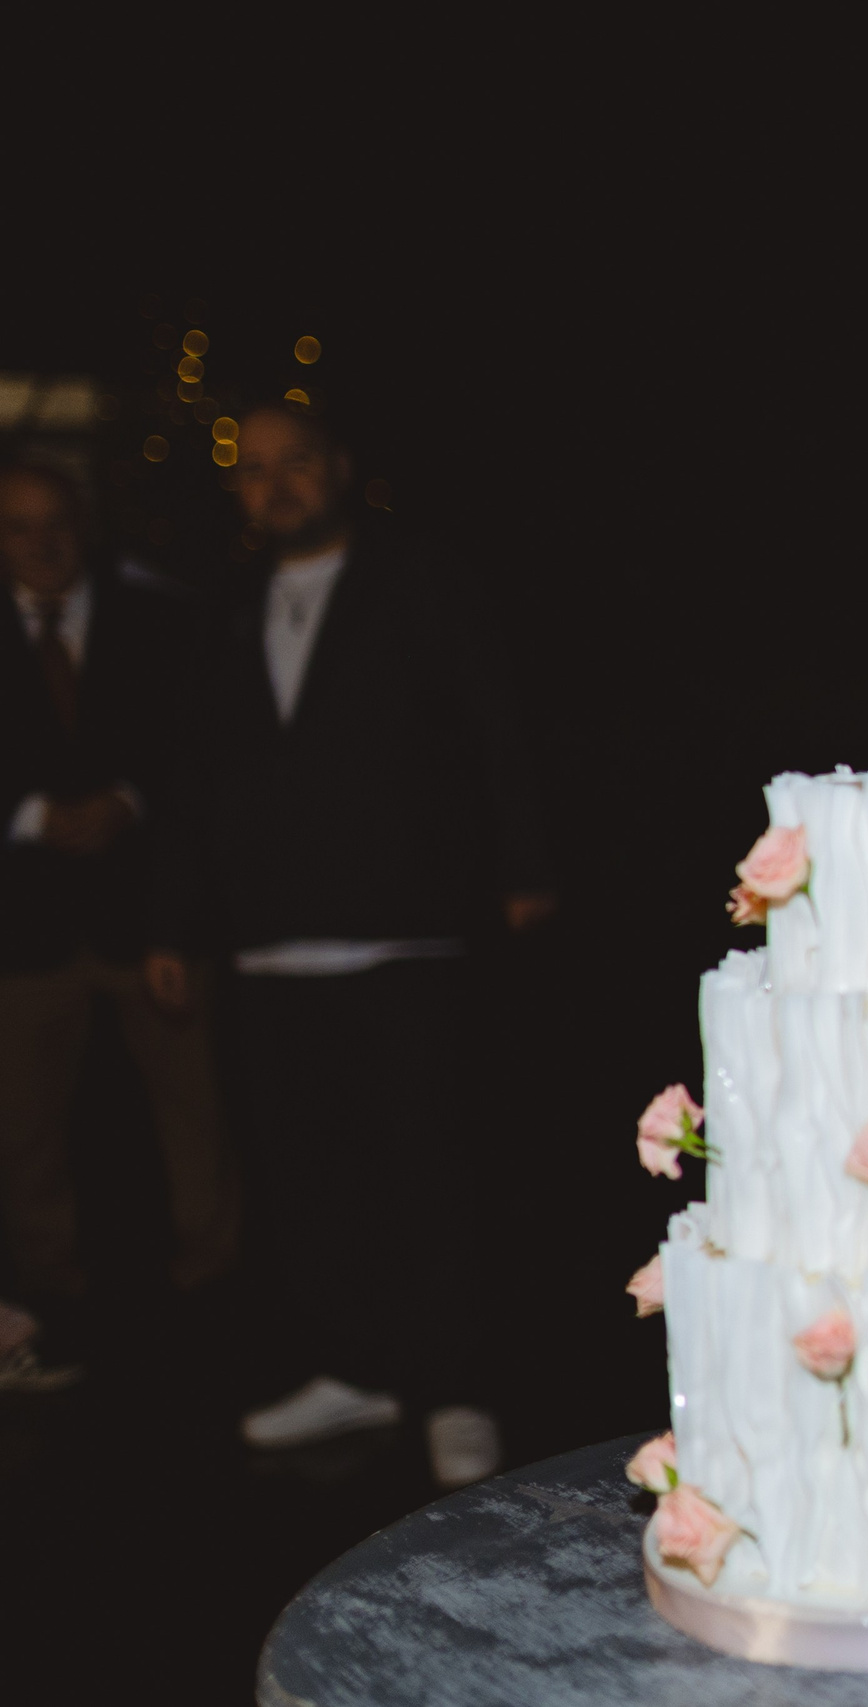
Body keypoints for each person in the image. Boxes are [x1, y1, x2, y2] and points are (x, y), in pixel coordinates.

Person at [183, 403, 553, 1488]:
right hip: (265, 947)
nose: (277, 484)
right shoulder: (226, 602)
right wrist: (176, 920)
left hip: (401, 932)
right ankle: (353, 1368)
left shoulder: (423, 576)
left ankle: (453, 1391)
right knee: (305, 1177)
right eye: (254, 471)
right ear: (237, 490)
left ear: (339, 468)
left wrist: (524, 867)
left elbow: (495, 721)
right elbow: (192, 768)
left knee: (426, 1173)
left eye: (296, 462)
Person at [0, 458, 236, 1389]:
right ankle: (47, 1303)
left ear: (86, 522)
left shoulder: (160, 613)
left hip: (151, 917)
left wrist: (130, 802)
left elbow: (196, 748)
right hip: (21, 927)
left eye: (57, 522)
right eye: (19, 526)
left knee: (195, 1108)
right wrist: (29, 817)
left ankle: (214, 1292)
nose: (42, 542)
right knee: (23, 1128)